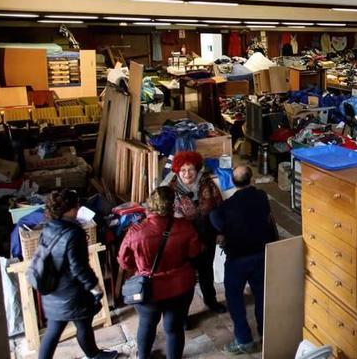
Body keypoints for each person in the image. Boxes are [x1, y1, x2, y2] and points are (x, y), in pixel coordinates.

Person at [118, 187, 201, 359]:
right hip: (180, 287)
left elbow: (124, 262)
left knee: (147, 325)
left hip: (148, 289)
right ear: (172, 206)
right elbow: (194, 253)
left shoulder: (136, 231)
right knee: (174, 328)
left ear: (150, 204)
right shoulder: (186, 227)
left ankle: (143, 357)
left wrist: (141, 268)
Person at [37, 190, 117, 359]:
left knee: (53, 332)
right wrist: (95, 287)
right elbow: (79, 267)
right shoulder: (74, 233)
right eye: (76, 206)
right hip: (72, 292)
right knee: (83, 325)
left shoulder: (48, 227)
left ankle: (93, 354)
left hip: (53, 289)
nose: (78, 209)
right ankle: (94, 355)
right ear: (68, 210)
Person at [210, 165, 279, 355]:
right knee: (261, 296)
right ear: (252, 179)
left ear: (231, 182)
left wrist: (222, 232)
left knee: (234, 299)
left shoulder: (226, 207)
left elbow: (215, 218)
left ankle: (244, 340)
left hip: (237, 259)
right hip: (261, 254)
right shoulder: (261, 197)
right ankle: (266, 334)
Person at [161, 151, 227, 314]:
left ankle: (211, 302)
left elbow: (219, 208)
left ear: (197, 169)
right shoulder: (170, 190)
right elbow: (166, 216)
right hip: (184, 241)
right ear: (177, 171)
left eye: (190, 169)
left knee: (206, 272)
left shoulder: (208, 184)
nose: (187, 174)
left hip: (207, 235)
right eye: (183, 170)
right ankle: (184, 314)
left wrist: (221, 232)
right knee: (186, 278)